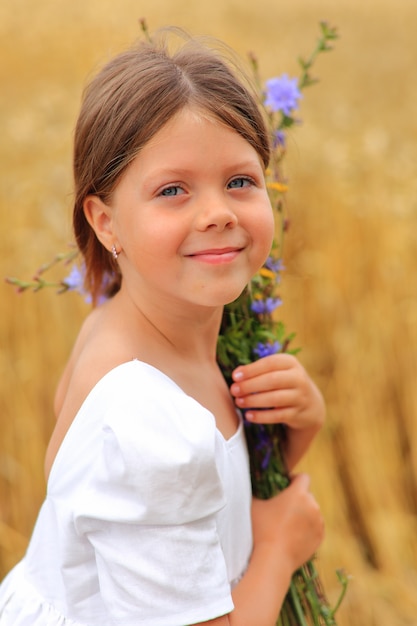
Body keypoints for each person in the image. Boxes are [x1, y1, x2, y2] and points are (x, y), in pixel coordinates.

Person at [0, 27, 325, 626]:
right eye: (173, 190)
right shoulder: (139, 417)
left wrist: (300, 427)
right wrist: (278, 552)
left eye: (240, 181)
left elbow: (218, 494)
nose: (218, 212)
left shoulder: (139, 323)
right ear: (105, 221)